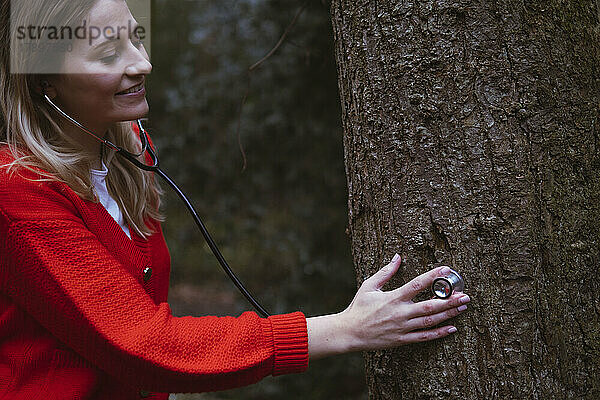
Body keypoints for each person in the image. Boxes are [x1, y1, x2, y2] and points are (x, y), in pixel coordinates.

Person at [0, 0, 471, 399]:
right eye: (108, 53)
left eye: (134, 38)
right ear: (46, 79)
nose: (142, 63)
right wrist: (344, 330)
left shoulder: (127, 151)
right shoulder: (19, 195)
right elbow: (145, 345)